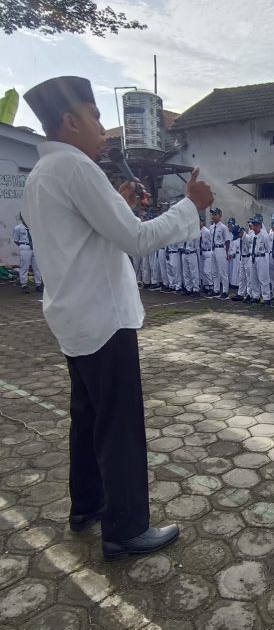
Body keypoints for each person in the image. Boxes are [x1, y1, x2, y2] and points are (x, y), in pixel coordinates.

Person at [21, 75, 214, 560]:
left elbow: (85, 234)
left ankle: (87, 506)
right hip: (103, 317)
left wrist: (121, 205)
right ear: (70, 121)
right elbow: (137, 240)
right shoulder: (76, 167)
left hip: (74, 316)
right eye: (94, 115)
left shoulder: (40, 175)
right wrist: (191, 205)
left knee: (88, 418)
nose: (102, 125)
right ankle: (125, 529)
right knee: (119, 426)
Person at [12, 213, 43, 293]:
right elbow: (16, 240)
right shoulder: (18, 228)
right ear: (21, 218)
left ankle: (38, 284)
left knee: (37, 266)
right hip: (25, 246)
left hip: (35, 247)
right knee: (24, 266)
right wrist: (24, 245)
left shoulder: (34, 226)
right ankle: (24, 284)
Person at [247, 216, 271, 304]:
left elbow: (268, 248)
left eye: (257, 225)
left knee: (263, 278)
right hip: (252, 257)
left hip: (261, 257)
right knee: (253, 278)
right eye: (254, 225)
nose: (255, 227)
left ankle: (266, 297)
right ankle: (255, 296)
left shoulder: (264, 236)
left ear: (260, 226)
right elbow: (249, 246)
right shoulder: (251, 236)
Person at [209, 207, 230, 299]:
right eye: (212, 214)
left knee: (223, 271)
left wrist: (227, 252)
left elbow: (227, 241)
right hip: (213, 249)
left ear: (220, 216)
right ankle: (216, 289)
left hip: (220, 248)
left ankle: (225, 291)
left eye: (215, 214)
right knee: (214, 271)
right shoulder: (211, 227)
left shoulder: (223, 227)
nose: (213, 216)